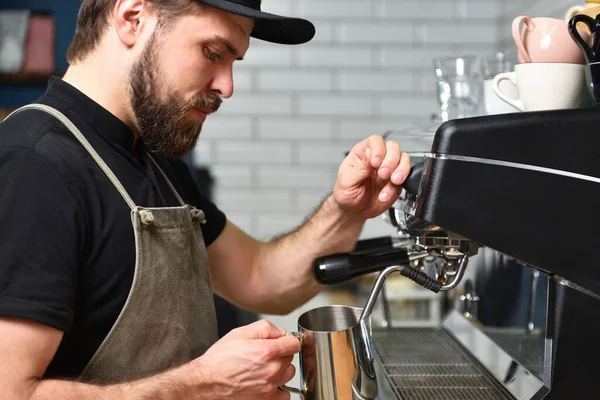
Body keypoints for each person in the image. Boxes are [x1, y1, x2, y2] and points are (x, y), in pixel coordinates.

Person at [0, 0, 410, 398]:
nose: (226, 86)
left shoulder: (155, 159)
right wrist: (204, 385)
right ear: (132, 17)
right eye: (213, 52)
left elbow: (259, 278)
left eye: (233, 62)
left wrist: (346, 210)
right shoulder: (34, 164)